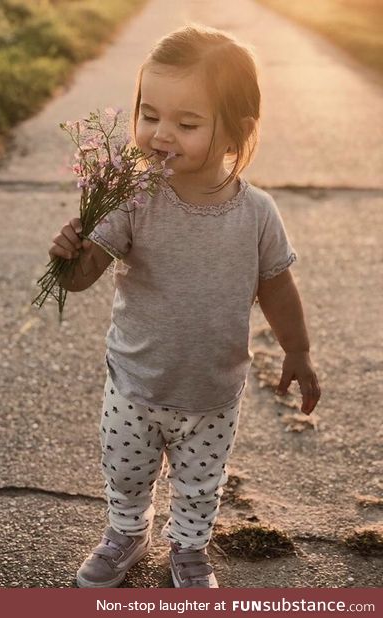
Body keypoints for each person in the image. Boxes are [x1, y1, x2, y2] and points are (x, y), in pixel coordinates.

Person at [49, 24, 321, 588]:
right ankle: (126, 531)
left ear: (235, 134)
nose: (160, 134)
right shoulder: (132, 199)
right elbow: (84, 277)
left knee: (201, 482)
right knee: (126, 472)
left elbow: (277, 286)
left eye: (187, 122)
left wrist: (298, 349)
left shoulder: (257, 214)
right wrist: (68, 258)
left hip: (213, 391)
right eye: (149, 115)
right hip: (136, 382)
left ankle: (190, 548)